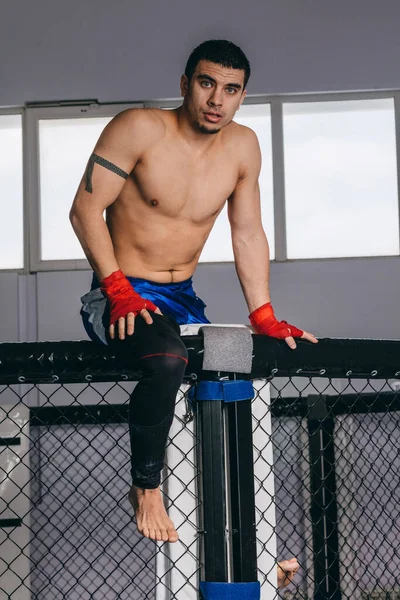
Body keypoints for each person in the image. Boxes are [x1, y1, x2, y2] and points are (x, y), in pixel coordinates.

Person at [70, 39, 317, 587]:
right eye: (207, 83)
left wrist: (265, 314)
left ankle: (259, 548)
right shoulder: (138, 128)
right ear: (185, 84)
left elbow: (247, 232)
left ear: (241, 97)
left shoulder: (243, 147)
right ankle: (146, 488)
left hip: (183, 298)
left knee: (245, 371)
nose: (216, 99)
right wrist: (115, 288)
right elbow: (85, 207)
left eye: (230, 90)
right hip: (118, 292)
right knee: (164, 360)